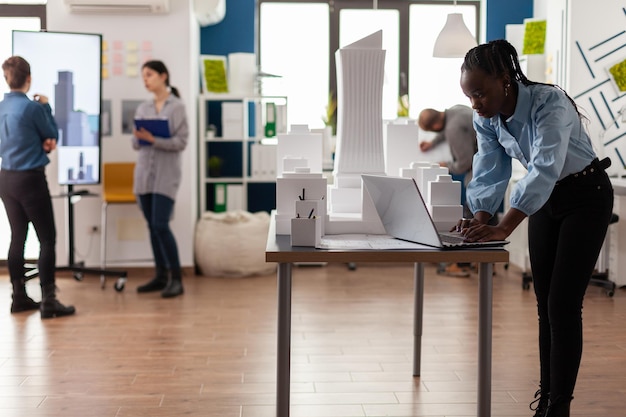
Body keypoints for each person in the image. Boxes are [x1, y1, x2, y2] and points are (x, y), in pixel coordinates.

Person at [457, 39, 614, 417]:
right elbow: (490, 170)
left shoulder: (549, 103)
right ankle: (546, 399)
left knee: (563, 303)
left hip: (585, 194)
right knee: (545, 305)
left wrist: (505, 225)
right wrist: (481, 225)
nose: (475, 104)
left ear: (505, 79)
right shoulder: (487, 118)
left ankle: (559, 406)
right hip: (547, 200)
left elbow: (545, 165)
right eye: (469, 95)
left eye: (480, 93)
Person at [0, 56, 76, 318]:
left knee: (17, 236)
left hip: (6, 178)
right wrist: (46, 106)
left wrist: (37, 143)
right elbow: (52, 134)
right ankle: (49, 301)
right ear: (28, 79)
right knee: (47, 238)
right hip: (30, 179)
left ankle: (18, 297)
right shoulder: (32, 108)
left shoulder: (1, 108)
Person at [132, 60, 188, 298]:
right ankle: (160, 276)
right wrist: (142, 137)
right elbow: (135, 143)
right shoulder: (143, 108)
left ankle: (176, 278)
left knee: (160, 225)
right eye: (143, 76)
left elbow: (181, 142)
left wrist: (154, 139)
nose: (146, 79)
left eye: (150, 75)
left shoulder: (177, 107)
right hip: (144, 177)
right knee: (151, 227)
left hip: (166, 178)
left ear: (163, 76)